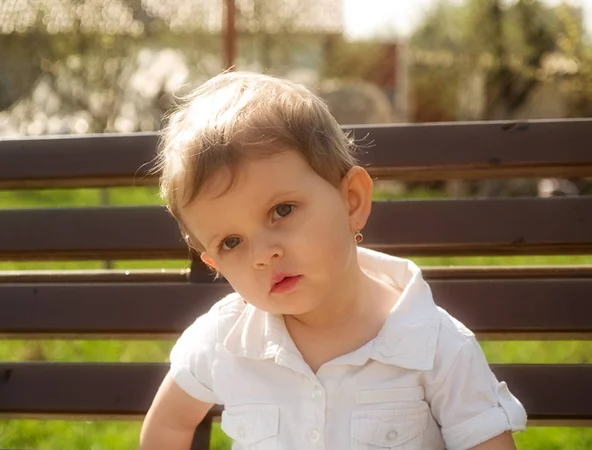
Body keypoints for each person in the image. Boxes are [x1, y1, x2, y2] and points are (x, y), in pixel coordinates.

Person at [139, 71, 527, 450]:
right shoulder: (225, 340)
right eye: (232, 241)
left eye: (282, 210)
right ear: (215, 264)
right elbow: (169, 425)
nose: (263, 255)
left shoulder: (433, 345)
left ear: (351, 201)